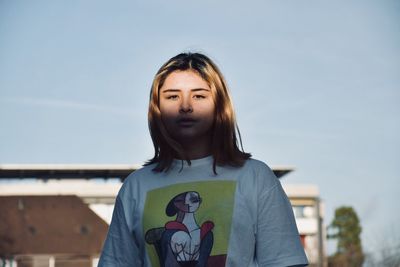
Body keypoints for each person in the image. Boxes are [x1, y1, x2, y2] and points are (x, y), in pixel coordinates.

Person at [98, 52, 308, 267]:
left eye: (199, 96)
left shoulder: (256, 178)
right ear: (156, 108)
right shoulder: (136, 186)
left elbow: (284, 262)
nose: (185, 106)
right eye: (172, 96)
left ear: (219, 105)